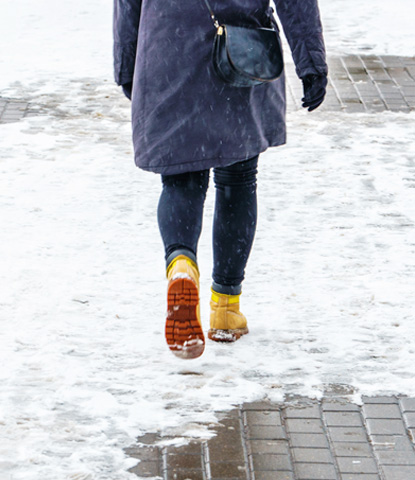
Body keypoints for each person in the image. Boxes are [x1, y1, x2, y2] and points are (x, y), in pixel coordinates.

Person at [113, 0, 328, 359]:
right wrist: (312, 63)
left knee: (181, 179)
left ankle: (181, 265)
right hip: (240, 49)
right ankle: (226, 309)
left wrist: (126, 63)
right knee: (239, 180)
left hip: (169, 48)